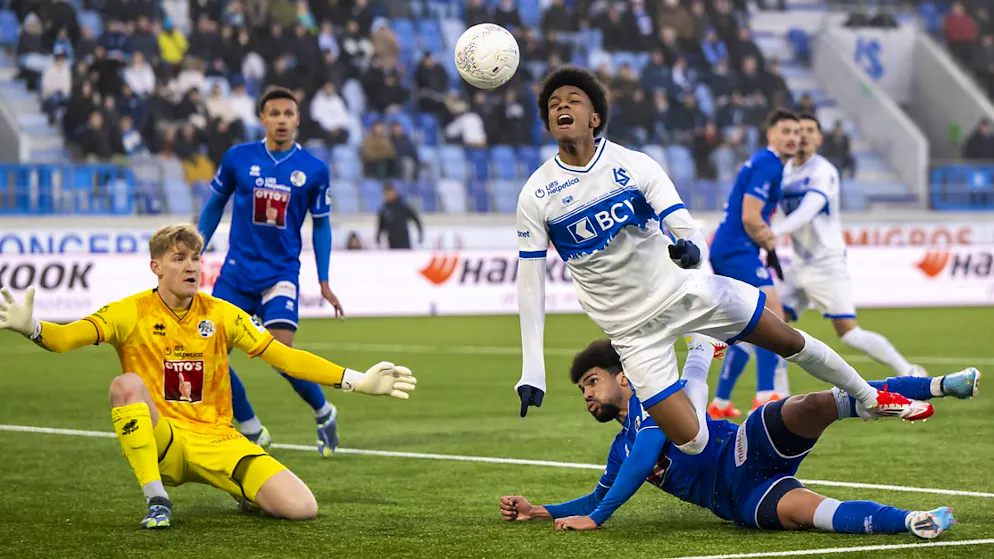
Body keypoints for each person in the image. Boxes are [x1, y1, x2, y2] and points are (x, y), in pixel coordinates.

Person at [514, 67, 931, 463]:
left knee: (788, 340)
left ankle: (871, 397)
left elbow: (684, 227)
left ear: (594, 118)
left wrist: (692, 251)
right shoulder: (536, 195)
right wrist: (533, 368)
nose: (561, 106)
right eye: (553, 104)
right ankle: (701, 349)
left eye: (573, 100)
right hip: (629, 330)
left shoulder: (634, 165)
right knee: (692, 442)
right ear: (548, 123)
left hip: (683, 291)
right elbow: (531, 282)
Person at [0, 225, 416, 528]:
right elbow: (67, 337)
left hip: (219, 440)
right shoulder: (130, 312)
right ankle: (157, 499)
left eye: (196, 258)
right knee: (125, 386)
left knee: (302, 508)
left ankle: (242, 491)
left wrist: (357, 380)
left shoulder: (222, 314)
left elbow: (285, 358)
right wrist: (33, 327)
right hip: (164, 439)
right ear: (156, 267)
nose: (191, 266)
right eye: (179, 258)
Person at [500, 339, 978, 535]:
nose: (587, 394)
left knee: (808, 405)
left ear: (623, 378)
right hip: (738, 498)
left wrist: (599, 518)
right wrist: (538, 510)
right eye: (582, 389)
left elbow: (643, 459)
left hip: (744, 446)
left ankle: (938, 386)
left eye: (591, 382)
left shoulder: (654, 403)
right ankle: (914, 521)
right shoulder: (618, 448)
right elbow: (597, 494)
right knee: (812, 514)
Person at [197, 86, 346, 457]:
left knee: (280, 355)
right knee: (210, 355)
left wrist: (324, 279)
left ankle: (324, 411)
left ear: (298, 120)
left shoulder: (314, 169)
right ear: (262, 119)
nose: (281, 120)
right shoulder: (238, 157)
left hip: (280, 274)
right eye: (274, 113)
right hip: (236, 273)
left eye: (288, 114)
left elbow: (322, 225)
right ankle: (251, 429)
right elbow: (215, 205)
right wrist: (195, 247)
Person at [707, 109, 797, 417]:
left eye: (796, 133)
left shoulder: (765, 162)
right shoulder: (769, 164)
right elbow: (750, 216)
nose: (793, 138)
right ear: (770, 134)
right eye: (785, 131)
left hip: (730, 247)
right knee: (773, 314)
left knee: (747, 327)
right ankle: (765, 396)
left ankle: (720, 403)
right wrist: (767, 238)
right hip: (736, 248)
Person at [376, 183, 423, 249]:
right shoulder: (383, 210)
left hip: (404, 244)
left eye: (390, 193)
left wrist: (420, 233)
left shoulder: (403, 207)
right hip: (391, 244)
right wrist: (378, 238)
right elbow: (380, 227)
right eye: (386, 193)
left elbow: (416, 220)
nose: (388, 195)